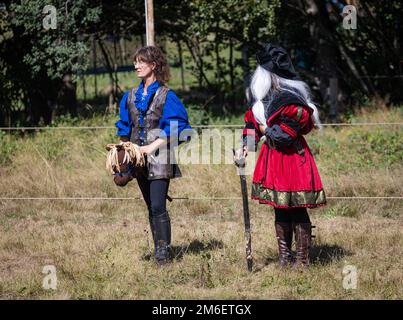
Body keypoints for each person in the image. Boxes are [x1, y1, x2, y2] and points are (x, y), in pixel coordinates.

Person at [235, 43, 326, 268]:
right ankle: (285, 258)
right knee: (280, 208)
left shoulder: (292, 101)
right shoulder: (262, 100)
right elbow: (251, 123)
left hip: (293, 159)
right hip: (273, 158)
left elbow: (284, 136)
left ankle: (303, 260)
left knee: (298, 208)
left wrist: (264, 129)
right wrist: (246, 146)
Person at [115, 45, 192, 266]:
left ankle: (163, 254)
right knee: (150, 206)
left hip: (160, 158)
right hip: (138, 161)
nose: (136, 66)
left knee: (158, 206)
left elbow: (178, 126)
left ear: (153, 65)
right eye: (135, 62)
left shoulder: (167, 95)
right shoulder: (129, 96)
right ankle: (159, 247)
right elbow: (124, 128)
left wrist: (151, 147)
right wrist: (124, 152)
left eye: (140, 62)